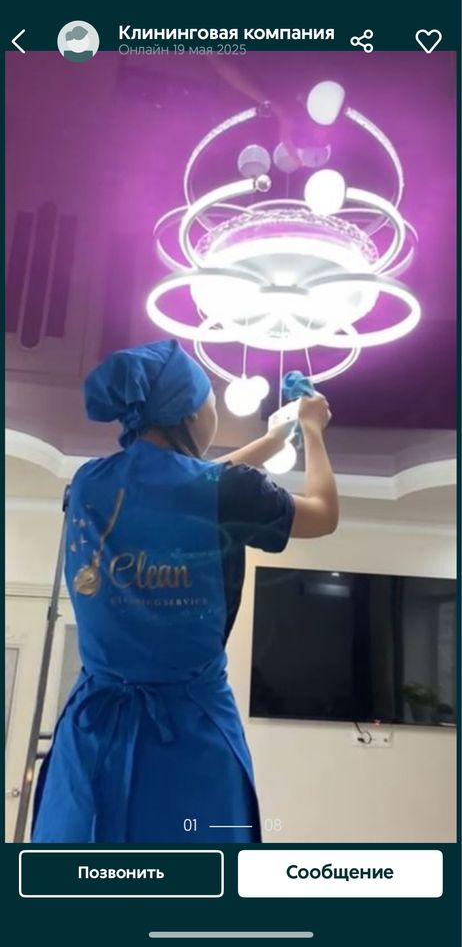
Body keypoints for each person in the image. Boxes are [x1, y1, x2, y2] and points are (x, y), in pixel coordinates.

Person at [31, 339, 338, 844]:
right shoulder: (220, 493)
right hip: (190, 736)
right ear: (191, 414)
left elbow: (187, 487)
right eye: (212, 403)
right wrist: (312, 430)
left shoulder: (87, 483)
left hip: (93, 736)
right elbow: (323, 513)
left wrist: (272, 438)